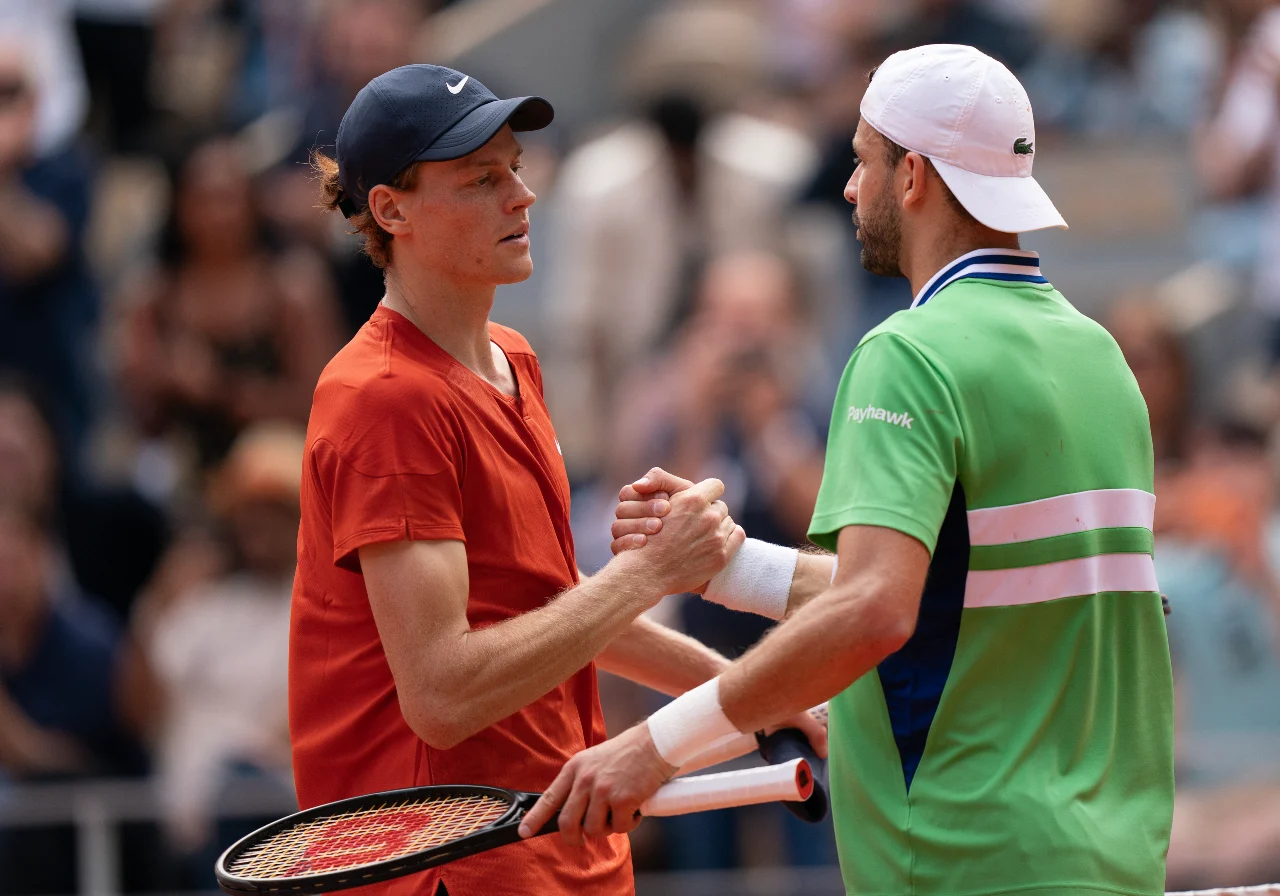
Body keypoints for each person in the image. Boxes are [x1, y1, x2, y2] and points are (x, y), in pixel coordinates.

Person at [523, 44, 1176, 896]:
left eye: (863, 159)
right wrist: (731, 566)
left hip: (962, 862)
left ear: (913, 177)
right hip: (1113, 862)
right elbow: (959, 587)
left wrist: (653, 747)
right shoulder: (1102, 357)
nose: (847, 186)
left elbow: (876, 608)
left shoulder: (907, 353)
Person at [293, 64, 824, 896]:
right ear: (391, 211)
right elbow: (443, 693)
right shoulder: (383, 398)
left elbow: (552, 605)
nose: (521, 196)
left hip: (561, 853)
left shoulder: (515, 359)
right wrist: (651, 571)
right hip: (443, 872)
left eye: (515, 167)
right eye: (480, 178)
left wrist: (743, 693)